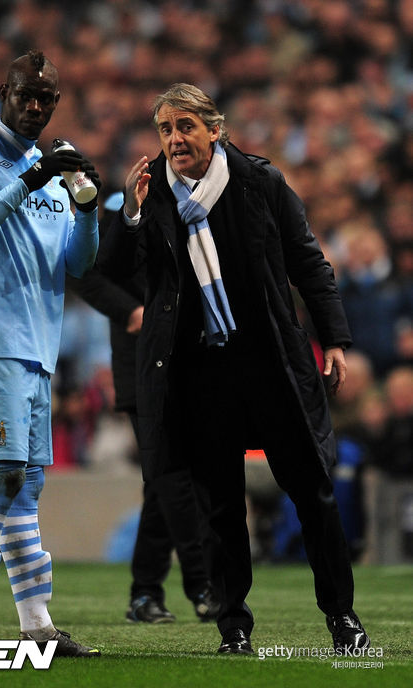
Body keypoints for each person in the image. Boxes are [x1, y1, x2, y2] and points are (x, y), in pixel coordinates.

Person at [98, 83, 370, 655]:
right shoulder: (155, 198)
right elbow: (117, 270)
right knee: (219, 505)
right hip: (199, 373)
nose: (175, 140)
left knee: (312, 489)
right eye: (166, 130)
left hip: (270, 362)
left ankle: (341, 614)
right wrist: (130, 209)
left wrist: (336, 340)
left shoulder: (259, 183)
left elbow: (307, 261)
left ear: (214, 130)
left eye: (185, 127)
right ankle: (233, 626)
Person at [0, 49, 101, 658]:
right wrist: (29, 182)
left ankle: (36, 626)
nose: (35, 107)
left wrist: (87, 210)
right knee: (5, 475)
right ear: (3, 92)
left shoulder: (50, 170)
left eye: (46, 99)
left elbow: (79, 264)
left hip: (38, 350)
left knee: (25, 485)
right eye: (25, 95)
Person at [69, 193, 220, 624]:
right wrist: (130, 310)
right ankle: (202, 581)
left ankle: (146, 593)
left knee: (162, 481)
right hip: (140, 364)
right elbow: (85, 273)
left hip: (184, 361)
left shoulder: (186, 208)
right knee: (173, 477)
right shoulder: (124, 208)